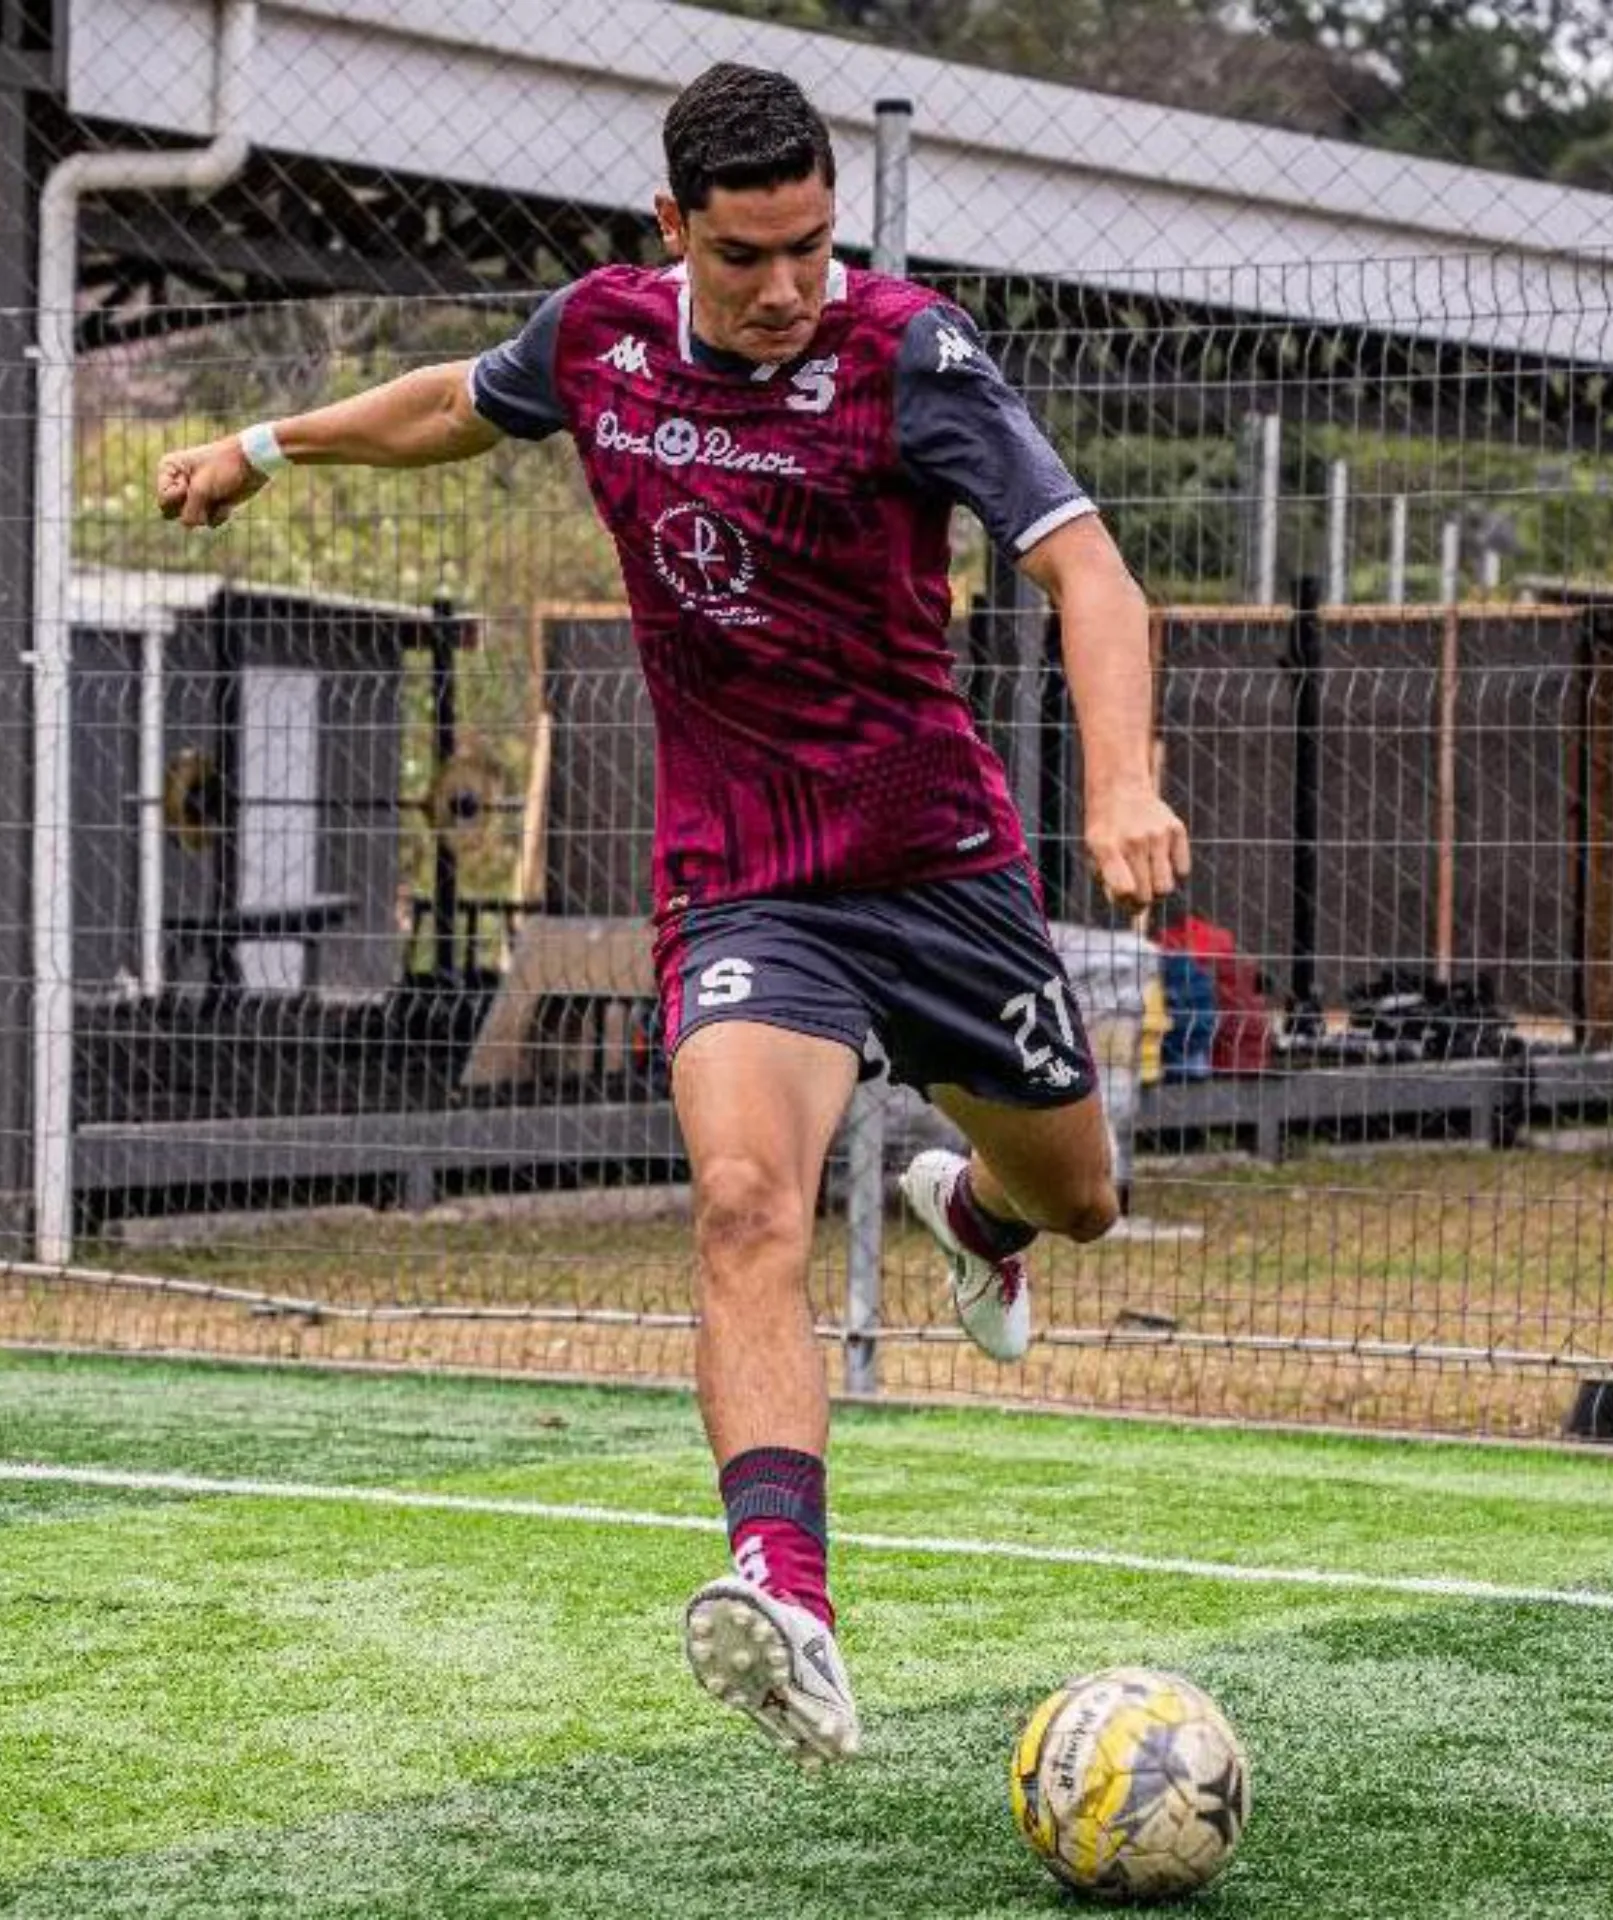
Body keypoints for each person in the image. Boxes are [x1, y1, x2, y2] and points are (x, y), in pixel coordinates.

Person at [157, 61, 1189, 1771]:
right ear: (672, 230)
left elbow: (1089, 568)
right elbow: (447, 403)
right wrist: (265, 446)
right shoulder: (599, 340)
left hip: (937, 867)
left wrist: (1120, 784)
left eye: (811, 246)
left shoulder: (910, 355)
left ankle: (979, 1212)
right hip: (745, 881)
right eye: (748, 255)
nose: (789, 287)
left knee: (1080, 1200)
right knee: (737, 1205)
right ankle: (788, 1601)